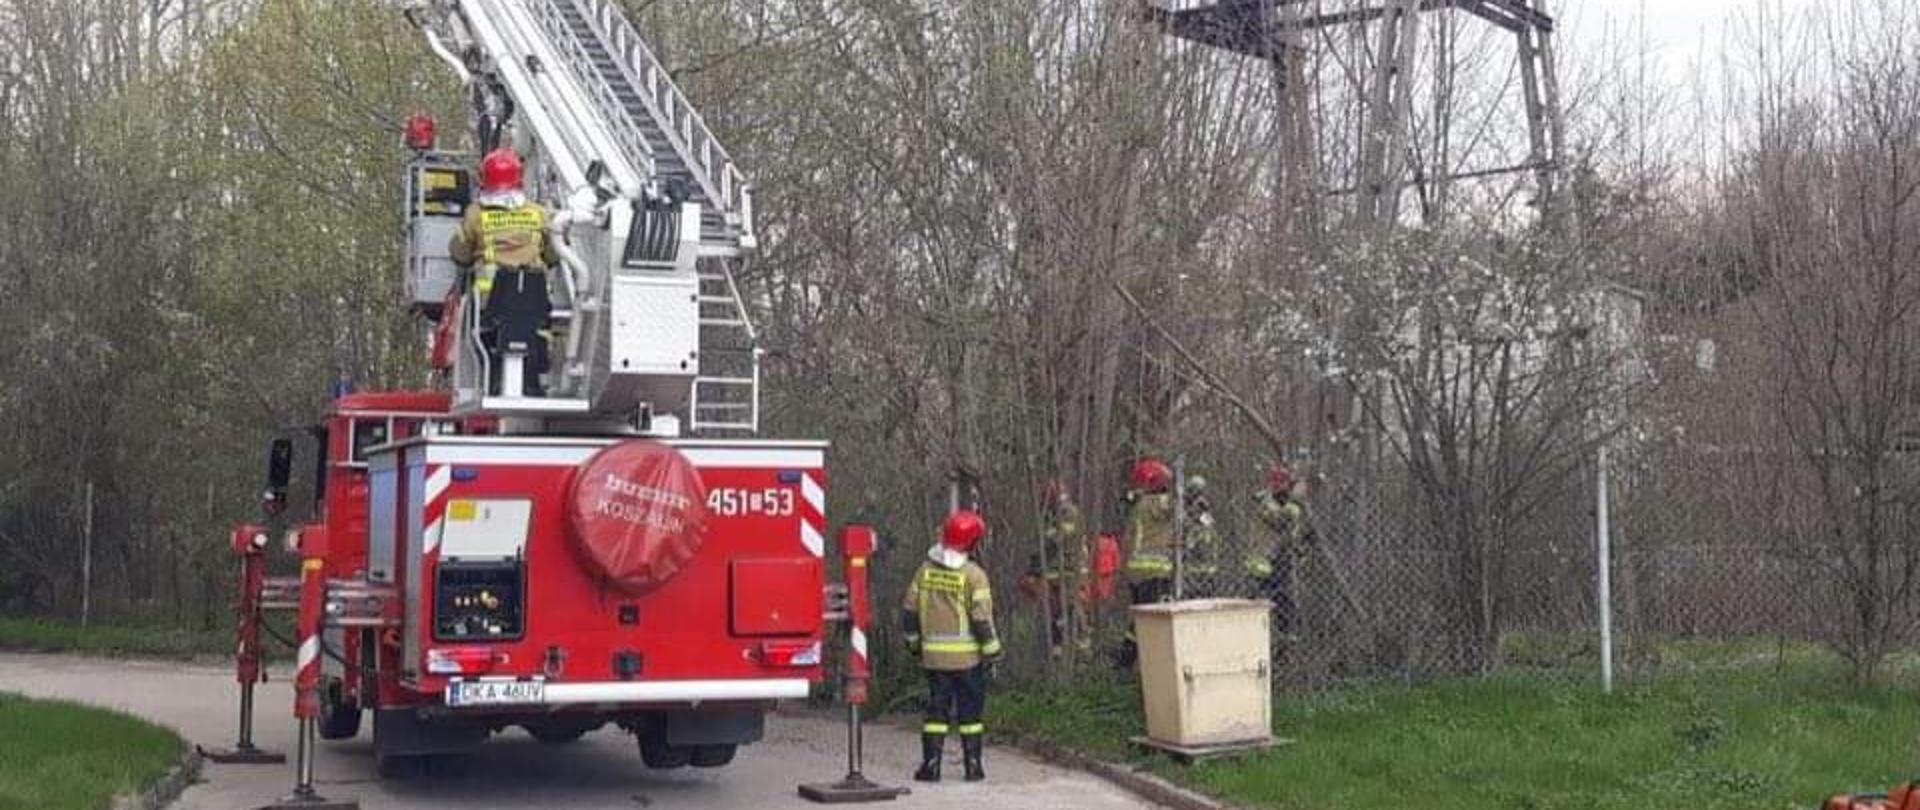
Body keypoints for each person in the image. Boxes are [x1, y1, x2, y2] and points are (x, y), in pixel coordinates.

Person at [448, 147, 559, 396]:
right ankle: (534, 381)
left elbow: (460, 254)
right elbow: (553, 256)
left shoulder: (475, 215)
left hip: (491, 308)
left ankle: (491, 381)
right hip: (535, 307)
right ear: (519, 180)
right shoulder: (539, 214)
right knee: (535, 333)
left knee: (483, 332)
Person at [902, 509, 1003, 783]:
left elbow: (909, 612)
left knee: (937, 712)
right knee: (970, 714)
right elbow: (982, 620)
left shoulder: (924, 572)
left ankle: (931, 766)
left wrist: (914, 645)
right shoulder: (974, 576)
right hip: (968, 660)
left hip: (933, 659)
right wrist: (993, 653)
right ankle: (973, 767)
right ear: (972, 542)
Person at [1248, 464, 1312, 637]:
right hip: (1264, 561)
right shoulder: (1266, 503)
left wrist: (1302, 545)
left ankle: (1287, 639)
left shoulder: (1287, 505)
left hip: (1282, 560)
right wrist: (1295, 502)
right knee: (1261, 604)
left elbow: (1291, 533)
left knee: (1286, 604)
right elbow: (1279, 520)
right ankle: (1258, 637)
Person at [1022, 481, 1085, 654]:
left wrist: (1034, 569)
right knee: (1056, 612)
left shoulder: (1068, 513)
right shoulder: (1053, 515)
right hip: (1056, 573)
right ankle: (1058, 651)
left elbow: (1053, 543)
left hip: (1069, 570)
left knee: (1070, 610)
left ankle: (1081, 652)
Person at [1122, 458, 1177, 604]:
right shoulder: (1160, 502)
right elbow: (1176, 506)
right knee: (1158, 615)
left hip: (1135, 570)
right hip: (1158, 570)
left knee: (1142, 615)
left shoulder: (1137, 507)